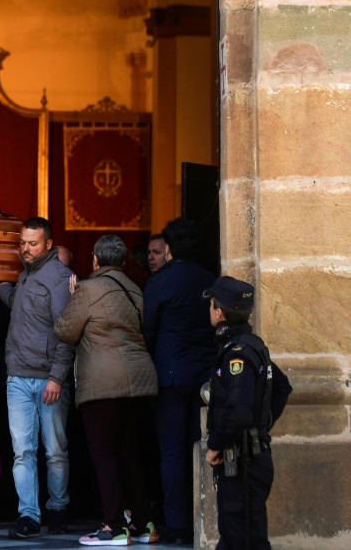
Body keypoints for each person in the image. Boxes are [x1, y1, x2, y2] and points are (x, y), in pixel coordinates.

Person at [54, 235, 159, 546]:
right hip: (139, 380)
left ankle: (114, 526)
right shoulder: (135, 289)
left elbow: (65, 330)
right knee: (129, 454)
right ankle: (142, 524)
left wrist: (73, 296)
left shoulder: (87, 288)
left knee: (103, 454)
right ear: (124, 261)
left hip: (103, 383)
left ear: (95, 260)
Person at [0, 217, 75, 539]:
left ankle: (58, 509)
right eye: (22, 242)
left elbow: (67, 334)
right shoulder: (24, 277)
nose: (25, 248)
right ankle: (28, 515)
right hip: (18, 378)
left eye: (32, 243)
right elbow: (22, 306)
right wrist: (1, 289)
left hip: (48, 379)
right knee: (22, 451)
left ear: (48, 244)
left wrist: (56, 377)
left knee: (54, 451)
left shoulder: (59, 278)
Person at [143, 218, 217, 544]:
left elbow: (149, 330)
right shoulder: (211, 279)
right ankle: (204, 520)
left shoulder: (160, 282)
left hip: (170, 376)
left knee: (172, 454)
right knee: (200, 448)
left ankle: (177, 524)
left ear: (169, 248)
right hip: (204, 377)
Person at [203, 276, 292, 549]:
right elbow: (281, 387)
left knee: (243, 539)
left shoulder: (237, 355)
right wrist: (260, 427)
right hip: (251, 457)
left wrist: (215, 445)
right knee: (238, 538)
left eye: (211, 305)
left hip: (241, 462)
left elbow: (238, 410)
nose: (209, 310)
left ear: (219, 312)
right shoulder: (252, 345)